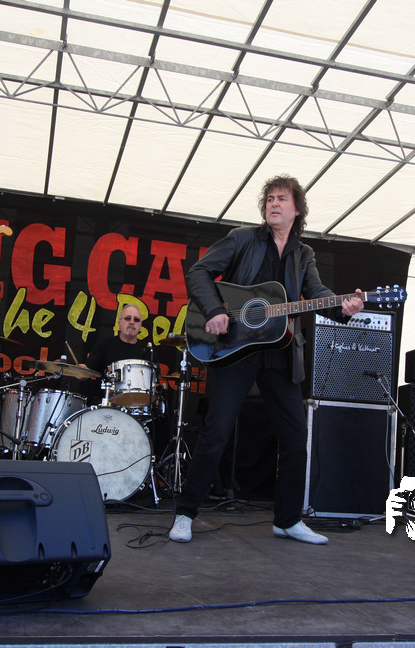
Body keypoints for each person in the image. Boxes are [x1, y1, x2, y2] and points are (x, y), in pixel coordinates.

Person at [169, 174, 364, 545]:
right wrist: (214, 309)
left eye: (282, 199)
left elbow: (316, 293)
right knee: (217, 431)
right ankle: (185, 513)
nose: (274, 203)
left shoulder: (303, 254)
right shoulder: (242, 238)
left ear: (297, 210)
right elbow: (199, 272)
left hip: (281, 352)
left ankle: (287, 520)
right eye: (270, 198)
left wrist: (344, 307)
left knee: (295, 436)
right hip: (234, 348)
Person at [78, 304, 155, 404]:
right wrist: (81, 371)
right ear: (119, 323)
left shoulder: (148, 350)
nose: (132, 322)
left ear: (140, 325)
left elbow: (154, 381)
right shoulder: (104, 345)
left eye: (136, 320)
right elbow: (87, 371)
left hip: (137, 405)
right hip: (106, 404)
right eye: (127, 318)